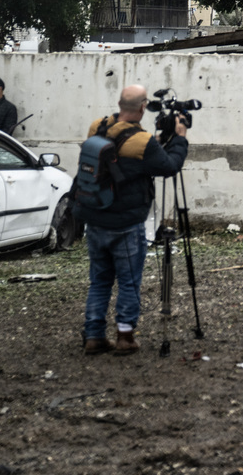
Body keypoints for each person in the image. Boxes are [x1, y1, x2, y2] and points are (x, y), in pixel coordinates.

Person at [78, 84, 189, 355]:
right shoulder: (143, 142)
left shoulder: (98, 127)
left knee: (100, 280)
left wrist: (159, 142)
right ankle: (125, 336)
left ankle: (93, 335)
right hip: (126, 223)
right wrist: (180, 138)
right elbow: (169, 166)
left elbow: (128, 156)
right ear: (143, 107)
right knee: (128, 281)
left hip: (95, 217)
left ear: (119, 103)